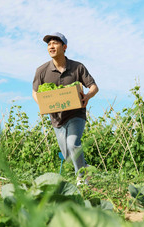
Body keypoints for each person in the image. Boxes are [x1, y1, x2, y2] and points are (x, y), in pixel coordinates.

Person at [32, 32, 99, 185]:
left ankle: (82, 180)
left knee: (73, 143)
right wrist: (42, 103)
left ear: (64, 47)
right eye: (49, 44)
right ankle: (86, 169)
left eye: (55, 43)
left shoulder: (77, 67)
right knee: (68, 156)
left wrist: (87, 97)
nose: (51, 46)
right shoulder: (41, 71)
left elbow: (94, 87)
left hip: (76, 114)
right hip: (57, 119)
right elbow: (35, 92)